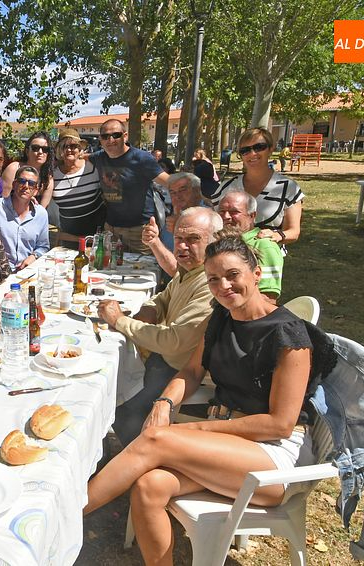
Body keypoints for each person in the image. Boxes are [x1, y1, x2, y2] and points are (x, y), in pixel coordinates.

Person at [85, 232, 336, 566]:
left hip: (275, 459)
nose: (224, 286)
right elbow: (191, 371)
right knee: (148, 486)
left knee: (157, 440)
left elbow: (280, 424)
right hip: (231, 444)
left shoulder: (288, 335)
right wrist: (164, 403)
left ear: (256, 274)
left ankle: (68, 514)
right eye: (214, 279)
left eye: (232, 275)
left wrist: (194, 430)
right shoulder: (221, 317)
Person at [98, 207, 221, 445]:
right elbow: (163, 297)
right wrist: (149, 311)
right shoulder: (192, 270)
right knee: (110, 379)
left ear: (214, 241)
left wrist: (119, 321)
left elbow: (173, 342)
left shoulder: (210, 282)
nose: (182, 246)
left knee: (119, 404)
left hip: (179, 370)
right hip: (164, 359)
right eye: (178, 238)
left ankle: (145, 456)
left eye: (193, 239)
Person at [210, 127, 303, 249]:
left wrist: (276, 235)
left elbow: (294, 231)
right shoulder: (227, 187)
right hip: (230, 254)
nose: (252, 153)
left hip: (268, 254)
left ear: (270, 149)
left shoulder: (288, 188)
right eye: (245, 150)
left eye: (259, 147)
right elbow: (214, 223)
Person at [90, 119, 169, 253]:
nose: (110, 140)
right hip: (111, 230)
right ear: (100, 139)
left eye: (116, 135)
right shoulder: (98, 157)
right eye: (105, 136)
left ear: (125, 136)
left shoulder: (141, 158)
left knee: (143, 266)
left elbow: (170, 182)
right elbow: (81, 158)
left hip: (140, 232)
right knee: (109, 266)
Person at [216, 190, 284, 302]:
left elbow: (268, 297)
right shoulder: (217, 242)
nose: (226, 216)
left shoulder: (264, 245)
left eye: (234, 212)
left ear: (252, 215)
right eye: (222, 211)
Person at [142, 172, 207, 276]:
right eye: (172, 192)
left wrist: (179, 229)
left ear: (197, 191)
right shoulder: (176, 212)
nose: (177, 196)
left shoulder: (206, 216)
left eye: (182, 190)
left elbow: (182, 268)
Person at [0, 166, 51, 270]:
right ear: (14, 184)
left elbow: (43, 247)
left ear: (36, 190)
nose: (26, 186)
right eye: (22, 181)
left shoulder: (41, 214)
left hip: (27, 271)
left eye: (31, 183)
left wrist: (33, 257)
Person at [51, 128, 106, 238]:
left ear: (80, 148)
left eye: (73, 146)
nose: (68, 150)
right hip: (68, 235)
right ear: (59, 150)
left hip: (96, 233)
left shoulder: (92, 167)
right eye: (64, 146)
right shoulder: (53, 174)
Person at [0, 132, 56, 225]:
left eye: (45, 149)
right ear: (27, 151)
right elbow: (3, 200)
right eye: (35, 148)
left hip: (31, 223)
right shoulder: (14, 168)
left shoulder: (47, 178)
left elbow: (41, 211)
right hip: (7, 219)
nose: (40, 152)